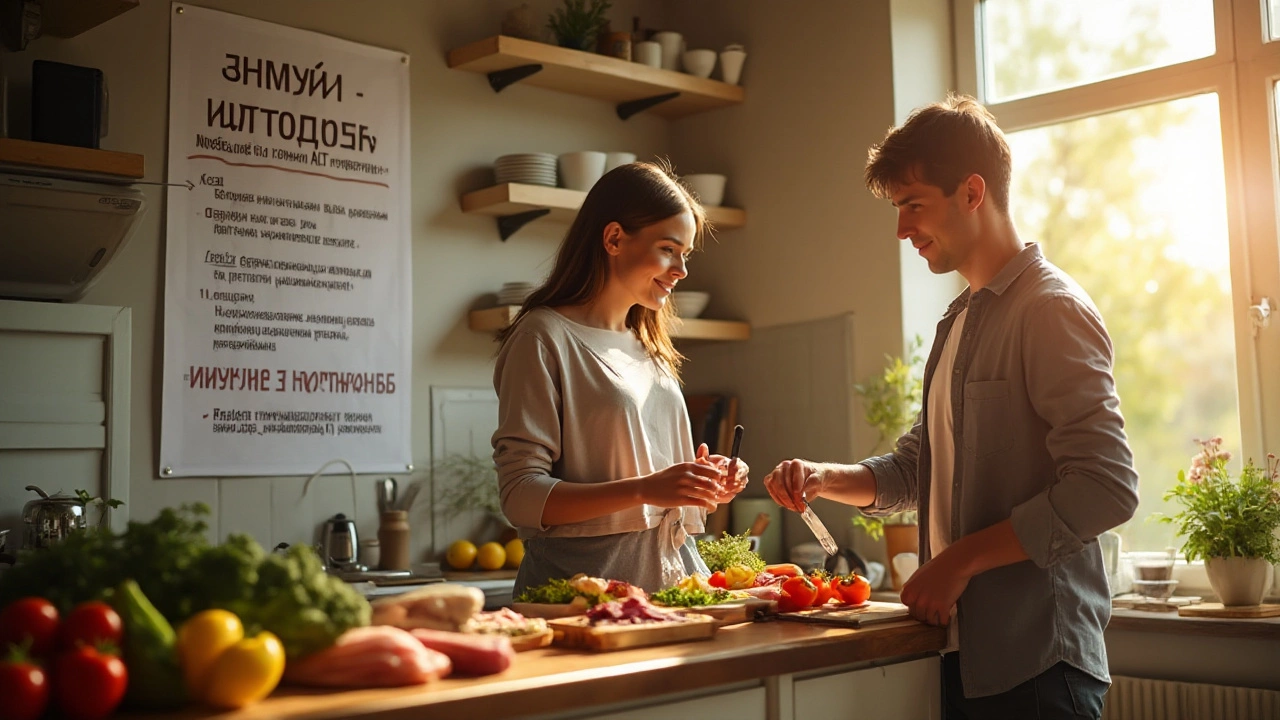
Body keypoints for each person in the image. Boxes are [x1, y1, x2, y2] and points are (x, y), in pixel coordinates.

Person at [763, 94, 1139, 719]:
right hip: (966, 656)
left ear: (971, 192)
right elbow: (921, 467)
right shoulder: (959, 317)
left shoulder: (1049, 309)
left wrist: (957, 562)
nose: (901, 229)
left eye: (913, 205)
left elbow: (1106, 488)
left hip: (1040, 667)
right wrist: (827, 479)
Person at [492, 161, 749, 596]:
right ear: (613, 238)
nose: (681, 270)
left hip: (673, 582)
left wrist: (701, 481)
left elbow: (650, 478)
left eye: (685, 254)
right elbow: (520, 495)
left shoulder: (649, 344)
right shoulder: (543, 336)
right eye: (669, 249)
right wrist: (649, 488)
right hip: (582, 593)